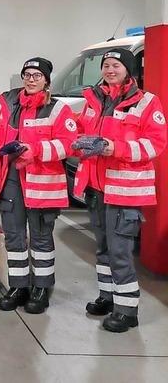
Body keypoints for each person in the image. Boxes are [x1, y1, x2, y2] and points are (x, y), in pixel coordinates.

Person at [73, 48, 166, 332]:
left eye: (116, 65)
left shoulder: (147, 102)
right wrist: (78, 141)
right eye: (106, 65)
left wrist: (115, 148)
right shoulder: (93, 99)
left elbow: (156, 144)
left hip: (124, 190)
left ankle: (127, 310)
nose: (110, 70)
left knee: (120, 250)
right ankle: (107, 296)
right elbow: (80, 128)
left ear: (129, 69)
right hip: (96, 187)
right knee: (101, 248)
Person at [0, 58, 76, 314]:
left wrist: (37, 150)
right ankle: (19, 286)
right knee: (14, 238)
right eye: (27, 74)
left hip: (43, 185)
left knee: (41, 239)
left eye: (37, 75)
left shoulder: (57, 110)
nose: (31, 79)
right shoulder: (9, 107)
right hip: (11, 181)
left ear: (46, 80)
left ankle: (42, 288)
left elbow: (69, 144)